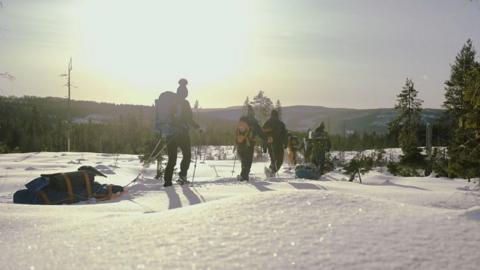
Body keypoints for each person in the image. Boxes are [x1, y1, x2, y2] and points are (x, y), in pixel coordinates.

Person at [163, 78, 200, 187]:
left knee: (172, 158)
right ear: (185, 92)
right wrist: (197, 128)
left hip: (170, 133)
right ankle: (182, 177)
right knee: (187, 155)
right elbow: (189, 119)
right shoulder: (185, 103)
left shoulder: (171, 102)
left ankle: (167, 181)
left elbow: (168, 117)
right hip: (182, 134)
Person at [235, 105, 265, 181]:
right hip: (249, 144)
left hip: (240, 143)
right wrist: (266, 139)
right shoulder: (253, 122)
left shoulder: (242, 120)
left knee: (244, 160)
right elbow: (260, 132)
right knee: (248, 161)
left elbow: (237, 131)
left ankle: (243, 175)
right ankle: (244, 176)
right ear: (253, 113)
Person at [262, 109, 288, 176]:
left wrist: (264, 146)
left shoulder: (267, 123)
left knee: (273, 160)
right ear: (277, 115)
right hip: (279, 144)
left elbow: (263, 135)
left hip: (270, 144)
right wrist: (285, 143)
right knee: (279, 160)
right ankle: (272, 171)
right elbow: (285, 134)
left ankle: (271, 171)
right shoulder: (281, 123)